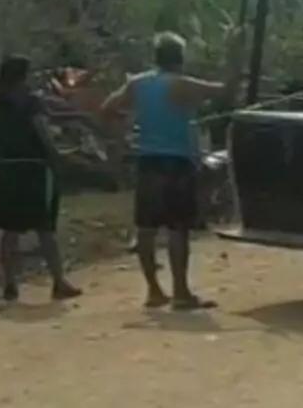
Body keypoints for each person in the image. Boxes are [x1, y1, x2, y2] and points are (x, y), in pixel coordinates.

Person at [101, 31, 241, 311]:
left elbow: (107, 109)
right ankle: (180, 291)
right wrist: (234, 56)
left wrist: (123, 134)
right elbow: (225, 90)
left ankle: (153, 290)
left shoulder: (138, 84)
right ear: (180, 57)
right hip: (177, 161)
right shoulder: (182, 85)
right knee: (178, 229)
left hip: (148, 160)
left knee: (147, 228)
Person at [0, 56, 83, 302]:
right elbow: (41, 130)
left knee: (10, 229)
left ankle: (10, 283)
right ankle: (58, 281)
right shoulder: (30, 102)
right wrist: (56, 156)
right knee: (44, 227)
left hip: (6, 167)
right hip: (34, 167)